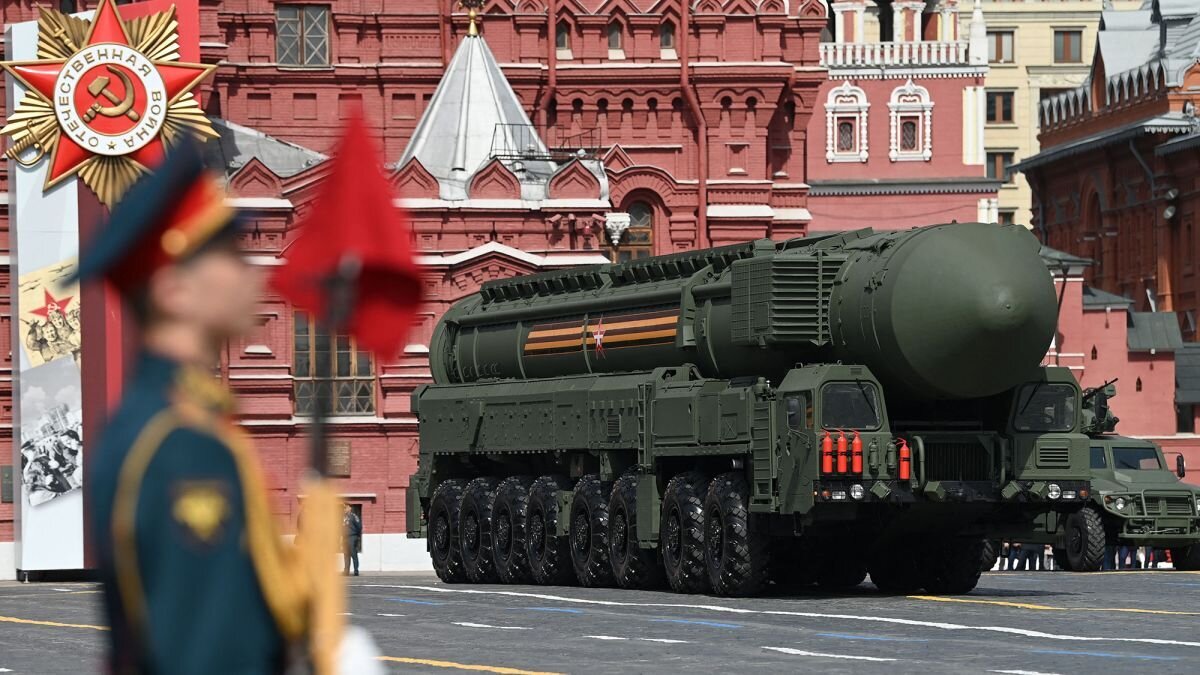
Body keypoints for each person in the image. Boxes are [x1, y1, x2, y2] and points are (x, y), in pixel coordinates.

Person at [81, 142, 317, 674]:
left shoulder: (162, 421)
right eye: (230, 257)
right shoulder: (183, 446)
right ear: (174, 291)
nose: (250, 273)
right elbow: (210, 653)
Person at [342, 504, 362, 576]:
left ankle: (356, 571)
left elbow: (359, 527)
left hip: (352, 537)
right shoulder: (343, 517)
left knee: (354, 554)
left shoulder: (354, 516)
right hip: (345, 538)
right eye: (344, 508)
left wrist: (357, 536)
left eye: (346, 508)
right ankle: (346, 571)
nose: (344, 509)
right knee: (346, 555)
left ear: (350, 508)